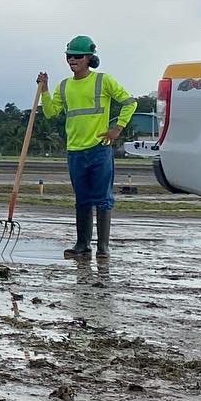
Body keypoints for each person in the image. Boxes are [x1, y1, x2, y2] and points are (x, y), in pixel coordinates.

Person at [37, 35, 136, 259]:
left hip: (99, 148)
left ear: (89, 57)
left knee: (102, 198)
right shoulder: (64, 86)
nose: (72, 60)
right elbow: (51, 112)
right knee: (81, 198)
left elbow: (130, 102)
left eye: (77, 56)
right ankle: (83, 244)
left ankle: (103, 246)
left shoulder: (103, 80)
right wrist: (44, 89)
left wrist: (117, 129)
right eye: (69, 56)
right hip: (75, 151)